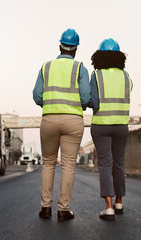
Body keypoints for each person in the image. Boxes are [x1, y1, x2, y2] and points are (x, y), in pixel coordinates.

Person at [32, 28, 90, 221]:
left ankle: (45, 208)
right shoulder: (80, 68)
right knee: (68, 166)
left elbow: (37, 96)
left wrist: (49, 104)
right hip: (73, 120)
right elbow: (85, 98)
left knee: (48, 164)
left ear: (60, 46)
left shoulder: (46, 67)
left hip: (49, 119)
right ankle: (64, 210)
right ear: (75, 50)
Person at [89, 38, 132, 221]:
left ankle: (108, 208)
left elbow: (93, 101)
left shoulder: (96, 75)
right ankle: (119, 202)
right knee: (119, 163)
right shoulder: (126, 76)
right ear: (119, 57)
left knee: (105, 164)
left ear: (99, 57)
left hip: (101, 125)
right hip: (121, 124)